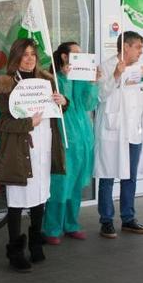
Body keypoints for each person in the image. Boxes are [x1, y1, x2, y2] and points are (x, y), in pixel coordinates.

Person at [0, 38, 67, 272]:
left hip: (44, 147)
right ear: (16, 57)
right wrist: (27, 123)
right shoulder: (5, 85)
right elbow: (2, 122)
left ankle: (36, 243)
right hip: (19, 150)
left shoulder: (46, 81)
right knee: (16, 201)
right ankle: (15, 251)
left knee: (40, 198)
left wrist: (63, 102)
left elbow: (58, 109)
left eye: (33, 54)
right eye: (24, 54)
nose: (30, 58)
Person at [94, 31, 143, 238]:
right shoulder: (105, 66)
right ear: (126, 47)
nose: (141, 51)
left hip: (134, 131)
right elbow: (99, 95)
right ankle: (106, 220)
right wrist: (115, 75)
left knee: (130, 177)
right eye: (138, 47)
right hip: (113, 130)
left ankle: (128, 218)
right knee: (107, 175)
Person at [44, 42, 98, 244]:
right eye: (75, 54)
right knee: (60, 183)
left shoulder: (82, 77)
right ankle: (51, 228)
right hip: (64, 135)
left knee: (76, 184)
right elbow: (62, 103)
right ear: (65, 57)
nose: (80, 57)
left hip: (83, 137)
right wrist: (66, 77)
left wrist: (92, 83)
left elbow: (89, 104)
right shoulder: (54, 79)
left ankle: (71, 224)